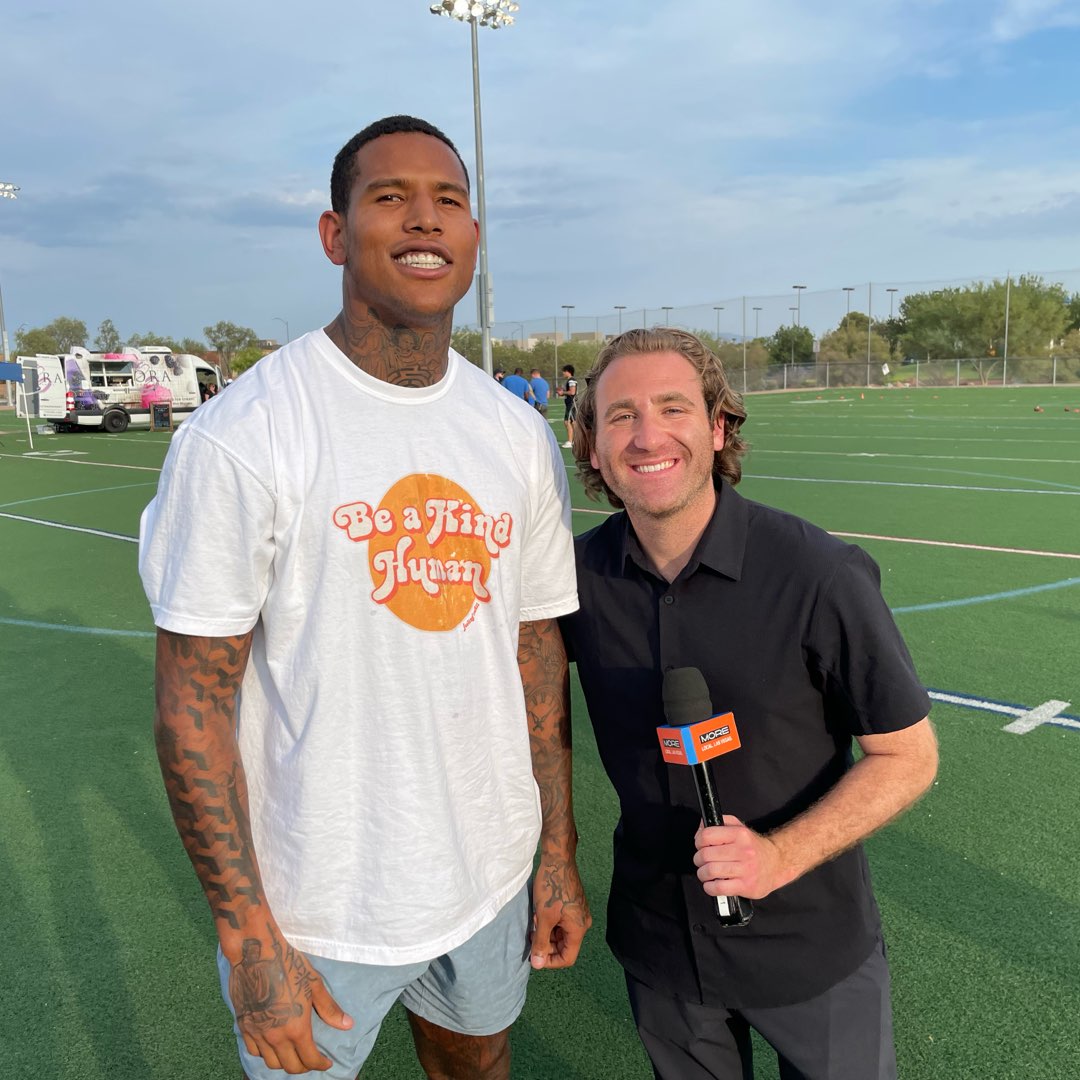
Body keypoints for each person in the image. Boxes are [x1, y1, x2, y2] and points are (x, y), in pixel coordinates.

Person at [140, 115, 590, 1080]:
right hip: (320, 904)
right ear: (335, 234)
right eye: (391, 197)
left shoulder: (515, 435)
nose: (425, 219)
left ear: (473, 237)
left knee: (476, 1062)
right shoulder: (244, 435)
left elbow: (535, 654)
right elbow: (191, 704)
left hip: (488, 873)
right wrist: (246, 934)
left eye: (449, 200)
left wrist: (555, 850)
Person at [559, 327, 938, 1080]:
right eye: (622, 416)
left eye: (673, 408)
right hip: (662, 945)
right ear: (592, 447)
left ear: (718, 426)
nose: (648, 436)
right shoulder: (573, 579)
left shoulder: (818, 574)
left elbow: (908, 755)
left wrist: (777, 856)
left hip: (810, 946)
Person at [555, 364, 577, 448]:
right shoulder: (570, 380)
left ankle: (570, 441)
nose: (563, 373)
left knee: (568, 422)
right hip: (570, 403)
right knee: (572, 422)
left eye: (564, 371)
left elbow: (572, 392)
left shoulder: (571, 380)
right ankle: (575, 441)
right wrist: (563, 392)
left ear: (568, 371)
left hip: (571, 403)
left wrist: (563, 392)